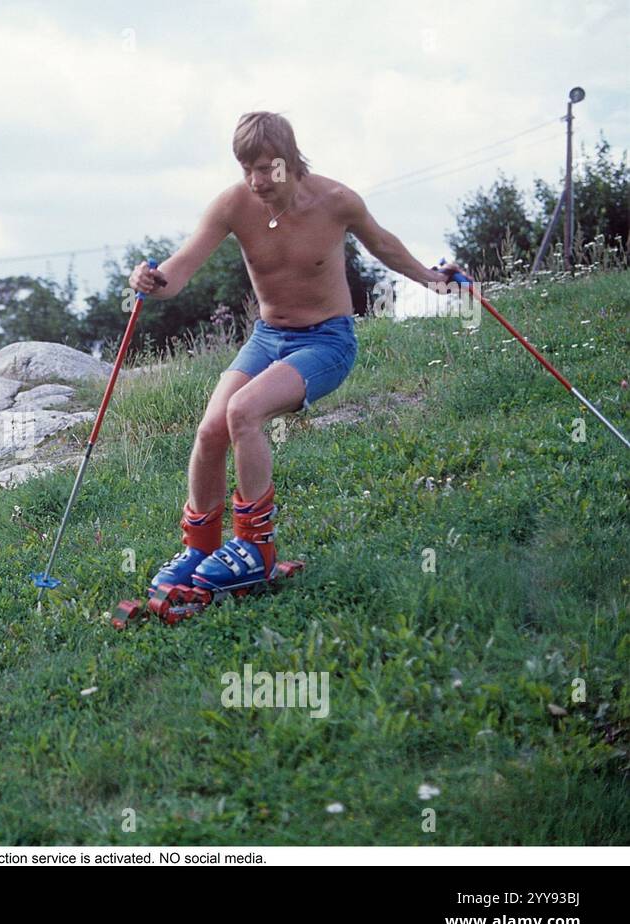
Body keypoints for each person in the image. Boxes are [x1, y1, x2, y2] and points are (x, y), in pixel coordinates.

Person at [129, 111, 469, 598]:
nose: (257, 181)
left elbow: (384, 245)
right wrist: (151, 281)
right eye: (247, 169)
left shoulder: (336, 201)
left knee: (242, 412)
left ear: (292, 160)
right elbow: (179, 271)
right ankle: (200, 549)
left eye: (268, 168)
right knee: (210, 428)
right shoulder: (233, 205)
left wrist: (434, 279)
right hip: (267, 338)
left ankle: (255, 548)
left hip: (327, 342)